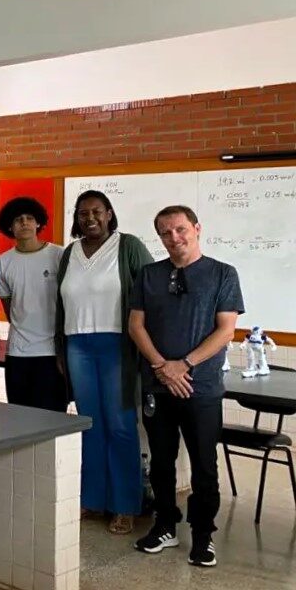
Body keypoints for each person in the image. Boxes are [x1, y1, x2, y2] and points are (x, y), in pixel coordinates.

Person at [129, 206, 242, 567]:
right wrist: (163, 368)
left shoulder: (223, 274)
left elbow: (226, 329)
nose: (174, 238)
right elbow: (136, 326)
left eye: (180, 230)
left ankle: (203, 535)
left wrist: (185, 365)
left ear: (196, 228)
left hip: (201, 387)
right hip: (158, 385)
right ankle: (165, 525)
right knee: (161, 463)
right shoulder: (149, 275)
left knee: (204, 466)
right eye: (165, 233)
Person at [56, 189, 153, 536]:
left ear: (109, 213)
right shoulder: (70, 253)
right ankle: (92, 498)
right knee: (90, 424)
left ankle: (125, 504)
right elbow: (62, 305)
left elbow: (150, 292)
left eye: (97, 212)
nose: (90, 218)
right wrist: (61, 349)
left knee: (121, 424)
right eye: (83, 213)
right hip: (77, 345)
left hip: (118, 345)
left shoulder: (128, 246)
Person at [0, 198, 67, 411]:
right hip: (19, 352)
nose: (24, 223)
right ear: (10, 226)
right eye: (18, 220)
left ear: (38, 223)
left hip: (52, 353)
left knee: (52, 418)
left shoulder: (59, 255)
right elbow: (9, 306)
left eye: (29, 218)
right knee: (20, 417)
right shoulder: (3, 262)